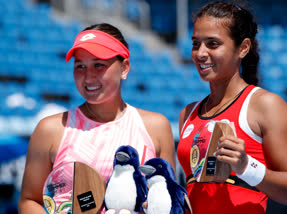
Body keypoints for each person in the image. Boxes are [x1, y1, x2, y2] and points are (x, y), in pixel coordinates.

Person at [18, 23, 176, 213]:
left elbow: (167, 200)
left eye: (99, 65)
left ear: (124, 68)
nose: (88, 76)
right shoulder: (50, 130)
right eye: (80, 66)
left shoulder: (156, 127)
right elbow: (29, 201)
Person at [176, 1, 287, 213]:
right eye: (195, 43)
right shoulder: (188, 113)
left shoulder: (266, 106)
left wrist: (247, 167)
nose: (200, 53)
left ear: (243, 48)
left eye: (212, 44)